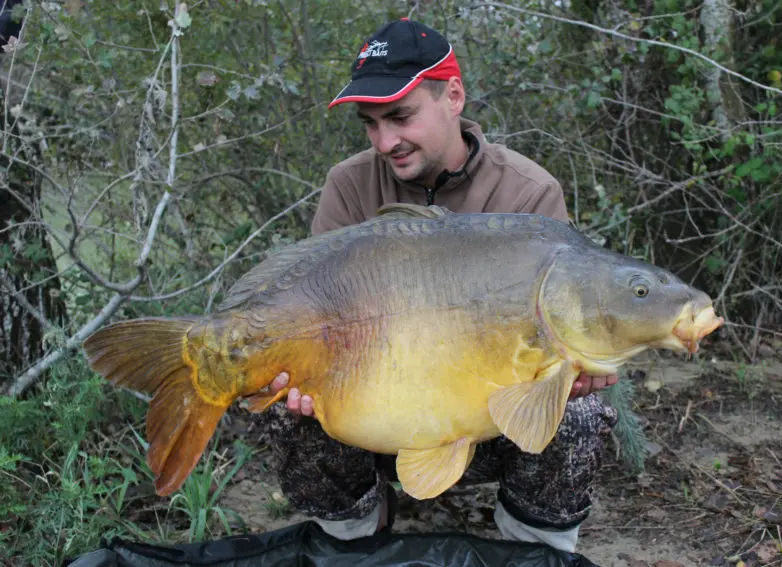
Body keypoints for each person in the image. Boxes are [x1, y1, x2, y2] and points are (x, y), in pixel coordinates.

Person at [251, 18, 619, 554]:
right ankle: (352, 542)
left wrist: (568, 371)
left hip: (491, 423)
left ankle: (535, 549)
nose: (386, 141)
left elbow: (564, 329)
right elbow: (317, 310)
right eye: (370, 124)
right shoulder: (349, 187)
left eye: (400, 116)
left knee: (576, 411)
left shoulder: (529, 193)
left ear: (453, 95)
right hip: (373, 416)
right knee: (292, 411)